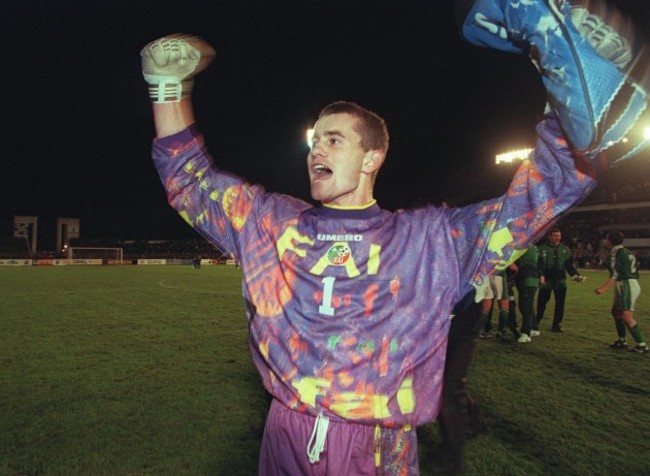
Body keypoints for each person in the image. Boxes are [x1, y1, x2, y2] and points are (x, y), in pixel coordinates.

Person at [140, 0, 647, 472]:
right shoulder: (271, 223)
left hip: (377, 448)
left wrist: (567, 108)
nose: (317, 151)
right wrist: (166, 87)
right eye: (315, 141)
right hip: (284, 434)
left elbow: (536, 199)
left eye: (333, 140)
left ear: (371, 158)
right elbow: (190, 183)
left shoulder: (430, 240)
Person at [595, 231, 648, 353]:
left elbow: (615, 274)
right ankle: (622, 340)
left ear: (609, 241)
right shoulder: (627, 252)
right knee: (616, 312)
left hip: (626, 284)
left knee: (626, 316)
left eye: (607, 239)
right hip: (627, 283)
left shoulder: (616, 253)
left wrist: (603, 288)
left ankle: (642, 345)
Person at [536, 228, 587, 332]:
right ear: (549, 237)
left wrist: (576, 276)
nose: (557, 238)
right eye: (555, 235)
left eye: (559, 236)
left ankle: (557, 324)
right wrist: (540, 275)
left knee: (560, 303)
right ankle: (536, 321)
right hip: (547, 280)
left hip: (560, 280)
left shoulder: (565, 249)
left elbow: (569, 266)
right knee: (542, 302)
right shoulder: (541, 248)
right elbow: (539, 265)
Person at [512, 246, 541, 343]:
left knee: (525, 307)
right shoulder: (531, 248)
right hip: (528, 280)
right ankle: (534, 328)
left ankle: (526, 333)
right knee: (526, 306)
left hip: (528, 280)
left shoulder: (527, 247)